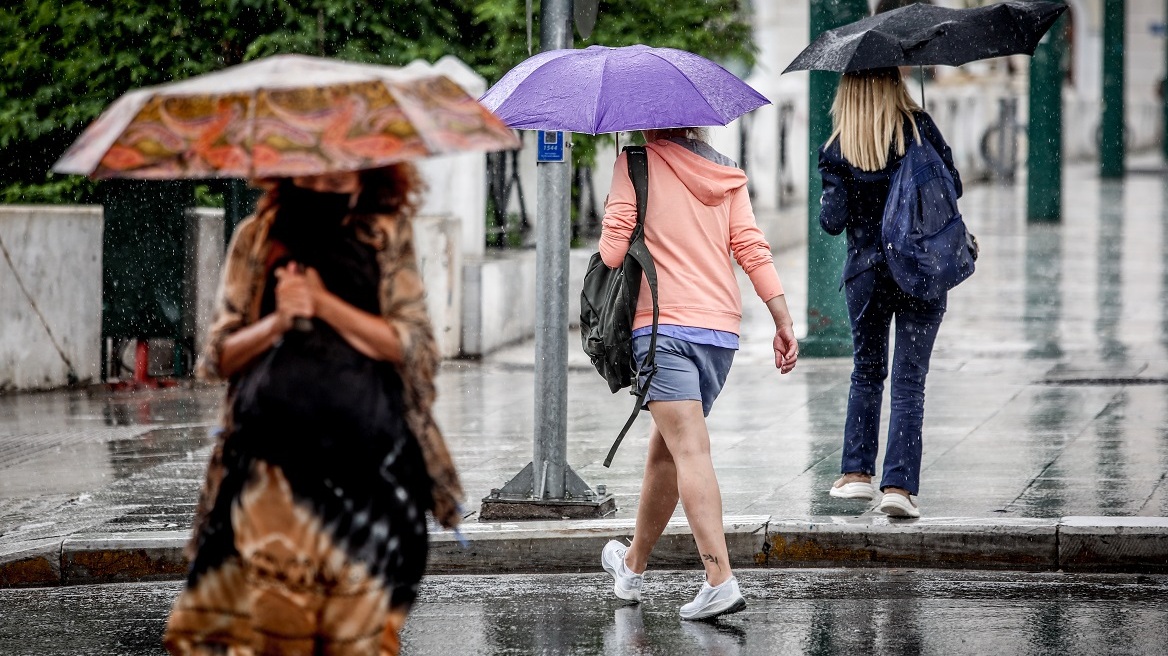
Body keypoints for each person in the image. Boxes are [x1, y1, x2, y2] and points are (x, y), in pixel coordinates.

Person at [163, 166, 463, 656]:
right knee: (274, 630)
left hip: (370, 471)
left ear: (365, 177)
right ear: (291, 175)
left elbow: (413, 346)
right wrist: (279, 320)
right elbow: (218, 357)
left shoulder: (385, 236)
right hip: (272, 475)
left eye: (339, 183)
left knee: (358, 638)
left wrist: (324, 305)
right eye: (314, 182)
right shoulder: (258, 238)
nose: (325, 191)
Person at [598, 129, 798, 620]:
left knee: (689, 448)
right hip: (718, 334)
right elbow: (750, 247)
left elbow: (612, 254)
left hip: (662, 326)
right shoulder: (725, 171)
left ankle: (720, 579)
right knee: (665, 450)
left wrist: (625, 206)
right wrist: (783, 319)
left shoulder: (635, 163)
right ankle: (632, 566)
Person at [818, 67, 961, 518]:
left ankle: (857, 474)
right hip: (920, 270)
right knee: (909, 381)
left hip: (867, 274)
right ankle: (899, 486)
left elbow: (832, 221)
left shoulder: (838, 147)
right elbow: (953, 187)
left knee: (867, 372)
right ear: (895, 82)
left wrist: (838, 189)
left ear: (848, 91)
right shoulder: (919, 129)